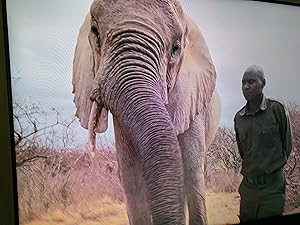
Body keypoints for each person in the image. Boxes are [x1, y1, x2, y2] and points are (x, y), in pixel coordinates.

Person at [234, 65, 292, 222]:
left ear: (263, 83)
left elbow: (287, 146)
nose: (246, 86)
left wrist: (270, 169)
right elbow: (243, 152)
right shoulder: (239, 118)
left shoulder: (277, 109)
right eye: (243, 82)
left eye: (251, 82)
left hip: (272, 189)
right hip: (248, 189)